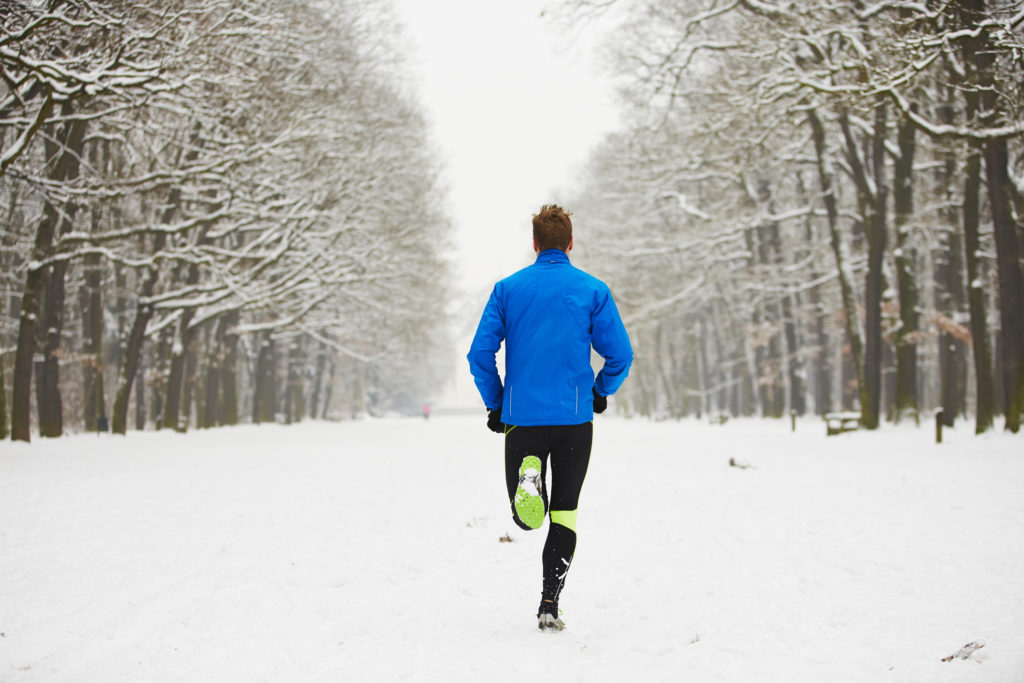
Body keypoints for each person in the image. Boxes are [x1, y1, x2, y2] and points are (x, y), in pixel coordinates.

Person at [467, 204, 633, 631]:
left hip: (522, 419)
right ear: (570, 243)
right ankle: (549, 603)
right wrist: (600, 391)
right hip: (574, 420)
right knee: (565, 515)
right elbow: (621, 355)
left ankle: (528, 479)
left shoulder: (507, 289)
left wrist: (496, 401)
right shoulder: (593, 290)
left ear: (535, 244)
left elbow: (480, 353)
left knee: (528, 518)